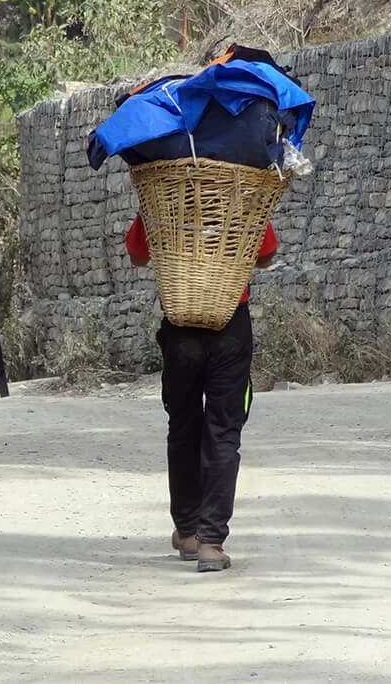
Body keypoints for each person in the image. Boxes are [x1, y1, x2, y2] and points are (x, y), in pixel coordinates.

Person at [126, 214, 278, 572]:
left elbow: (137, 255)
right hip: (230, 323)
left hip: (180, 328)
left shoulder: (164, 191)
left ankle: (188, 531)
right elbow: (267, 254)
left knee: (183, 427)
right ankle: (212, 542)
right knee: (224, 430)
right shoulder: (241, 194)